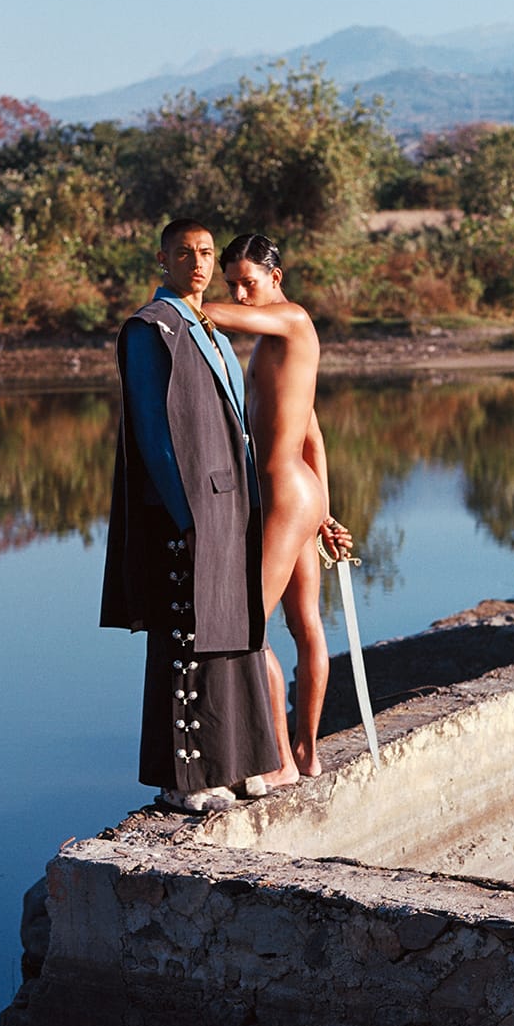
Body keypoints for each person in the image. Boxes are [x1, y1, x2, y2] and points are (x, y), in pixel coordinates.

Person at [100, 219, 279, 812]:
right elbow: (153, 435)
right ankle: (186, 782)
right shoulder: (149, 329)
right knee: (189, 635)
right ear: (162, 260)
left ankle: (241, 764)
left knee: (237, 632)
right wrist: (187, 515)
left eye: (205, 253)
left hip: (232, 503)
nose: (198, 263)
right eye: (184, 253)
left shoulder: (213, 330)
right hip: (186, 513)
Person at [204, 233, 351, 783]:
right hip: (299, 492)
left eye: (249, 282)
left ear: (276, 277)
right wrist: (325, 512)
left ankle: (283, 762)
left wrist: (177, 301)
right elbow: (312, 433)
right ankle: (307, 754)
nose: (240, 295)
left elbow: (217, 316)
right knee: (304, 624)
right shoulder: (277, 345)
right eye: (232, 285)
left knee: (246, 627)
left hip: (285, 494)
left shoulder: (292, 320)